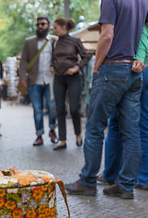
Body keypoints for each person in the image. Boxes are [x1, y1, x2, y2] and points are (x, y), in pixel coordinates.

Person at [66, 0, 148, 199]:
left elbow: (107, 35)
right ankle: (125, 186)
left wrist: (96, 66)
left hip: (112, 67)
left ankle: (88, 181)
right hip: (134, 73)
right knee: (132, 132)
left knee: (95, 128)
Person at [101, 24, 148, 191]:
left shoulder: (133, 7)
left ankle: (112, 174)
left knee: (117, 122)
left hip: (136, 66)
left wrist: (138, 58)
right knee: (146, 125)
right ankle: (144, 179)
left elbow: (139, 34)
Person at [50, 17, 89, 150]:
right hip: (59, 78)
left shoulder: (75, 40)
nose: (54, 30)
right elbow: (53, 58)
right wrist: (52, 66)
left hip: (73, 78)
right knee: (60, 109)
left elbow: (86, 56)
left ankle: (78, 134)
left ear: (64, 27)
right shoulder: (54, 42)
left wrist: (77, 67)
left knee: (73, 108)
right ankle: (62, 140)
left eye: (55, 27)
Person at [19, 16, 59, 146]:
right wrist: (23, 78)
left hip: (51, 80)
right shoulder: (29, 42)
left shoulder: (54, 40)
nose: (40, 27)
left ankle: (52, 130)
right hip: (34, 80)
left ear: (48, 26)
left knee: (52, 107)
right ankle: (39, 135)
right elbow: (24, 60)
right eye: (38, 25)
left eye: (42, 24)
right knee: (37, 109)